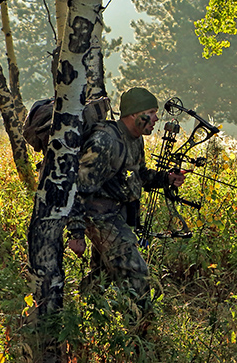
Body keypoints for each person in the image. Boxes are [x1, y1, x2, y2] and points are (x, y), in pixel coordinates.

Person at [66, 87, 185, 320]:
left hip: (114, 215)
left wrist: (167, 178)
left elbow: (138, 175)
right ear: (133, 114)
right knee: (135, 271)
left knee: (103, 274)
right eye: (150, 112)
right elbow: (79, 186)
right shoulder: (105, 140)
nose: (156, 119)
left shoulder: (134, 140)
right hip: (98, 217)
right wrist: (76, 232)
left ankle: (80, 316)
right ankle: (141, 327)